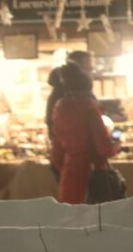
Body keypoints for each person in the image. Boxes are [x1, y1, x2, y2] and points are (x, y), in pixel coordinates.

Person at [50, 54, 117, 204]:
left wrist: (68, 164)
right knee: (96, 221)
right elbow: (104, 148)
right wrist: (117, 140)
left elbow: (56, 154)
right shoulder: (89, 107)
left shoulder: (59, 107)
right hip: (92, 175)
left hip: (69, 175)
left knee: (71, 219)